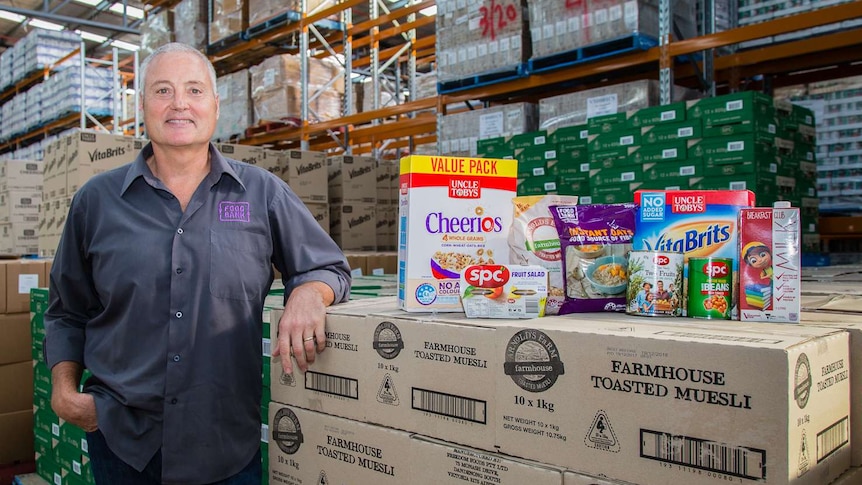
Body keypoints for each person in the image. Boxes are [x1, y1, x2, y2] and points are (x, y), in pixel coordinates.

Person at [43, 42, 351, 485]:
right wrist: (63, 392)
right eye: (163, 91)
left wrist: (307, 293)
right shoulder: (97, 202)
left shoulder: (261, 194)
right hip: (122, 443)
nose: (179, 104)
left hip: (224, 445)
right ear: (143, 105)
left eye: (194, 90)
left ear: (215, 105)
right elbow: (66, 311)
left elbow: (329, 267)